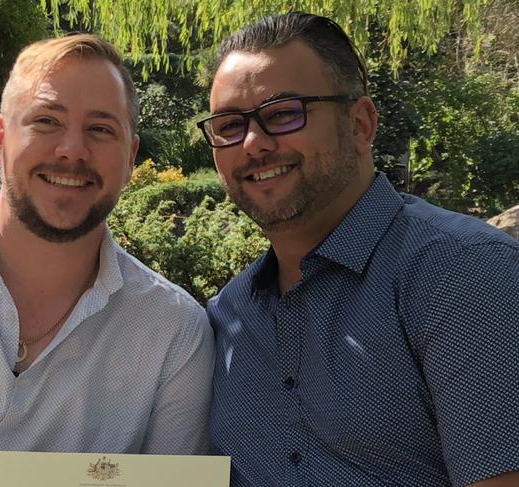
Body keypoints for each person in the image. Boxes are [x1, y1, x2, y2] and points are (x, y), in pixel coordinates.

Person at [0, 34, 214, 487]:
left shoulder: (175, 334)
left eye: (100, 129)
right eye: (47, 120)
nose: (72, 150)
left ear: (130, 159)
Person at [197, 12, 519, 487]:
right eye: (228, 125)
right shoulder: (228, 314)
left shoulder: (462, 275)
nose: (253, 144)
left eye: (284, 113)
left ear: (362, 123)